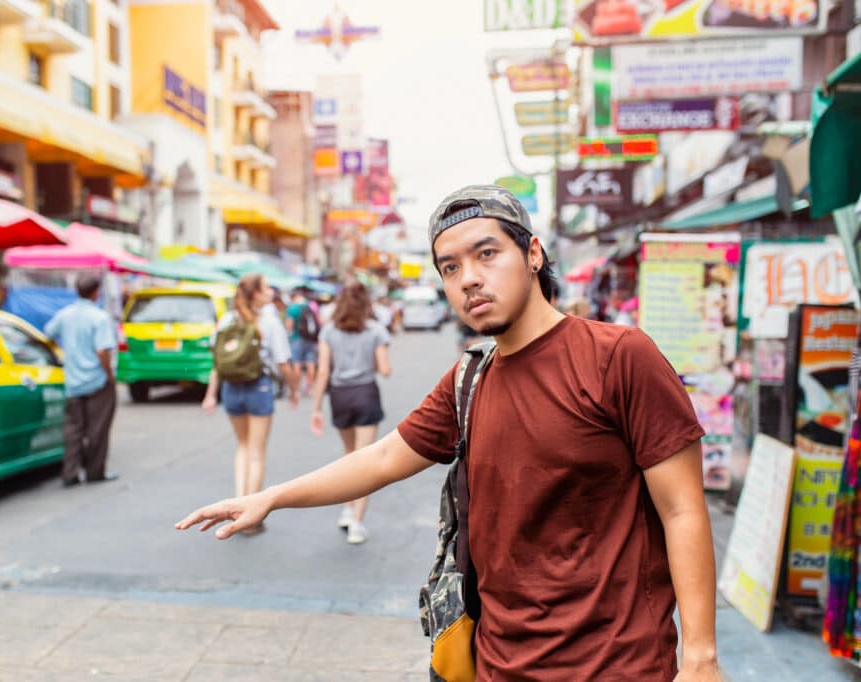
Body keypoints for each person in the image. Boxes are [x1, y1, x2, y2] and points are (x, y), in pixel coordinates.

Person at [177, 185, 720, 680]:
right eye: (450, 267)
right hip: (497, 663)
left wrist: (699, 656)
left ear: (533, 255)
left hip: (615, 666)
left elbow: (682, 510)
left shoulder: (618, 358)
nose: (469, 279)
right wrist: (271, 497)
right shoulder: (470, 377)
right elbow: (385, 457)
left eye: (487, 254)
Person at [201, 273, 299, 536]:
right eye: (266, 288)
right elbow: (283, 363)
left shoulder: (227, 320)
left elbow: (217, 363)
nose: (270, 291)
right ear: (256, 294)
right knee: (257, 452)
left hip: (232, 389)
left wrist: (211, 394)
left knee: (242, 447)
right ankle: (250, 516)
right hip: (259, 387)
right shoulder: (268, 321)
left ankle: (236, 506)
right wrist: (294, 388)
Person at [310, 282, 392, 545]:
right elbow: (385, 369)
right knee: (366, 460)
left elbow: (323, 371)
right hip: (366, 392)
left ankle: (347, 509)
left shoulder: (329, 331)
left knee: (349, 455)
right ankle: (357, 522)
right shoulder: (375, 330)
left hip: (340, 396)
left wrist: (315, 408)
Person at [44, 274, 119, 487]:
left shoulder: (65, 315)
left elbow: (48, 334)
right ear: (96, 292)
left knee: (73, 430)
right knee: (97, 430)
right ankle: (95, 472)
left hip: (74, 382)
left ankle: (70, 473)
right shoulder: (99, 318)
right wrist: (110, 376)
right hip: (97, 381)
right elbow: (102, 350)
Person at [285, 287, 320, 392]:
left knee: (297, 363)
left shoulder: (292, 308)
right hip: (311, 338)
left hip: (297, 338)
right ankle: (309, 387)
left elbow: (289, 325)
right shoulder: (310, 306)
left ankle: (296, 388)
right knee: (311, 363)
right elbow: (318, 321)